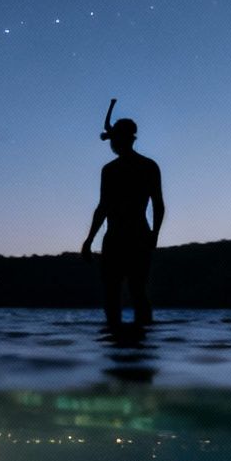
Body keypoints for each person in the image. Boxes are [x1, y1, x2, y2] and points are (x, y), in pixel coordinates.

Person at [80, 108, 164, 327]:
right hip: (135, 236)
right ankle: (141, 342)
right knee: (136, 291)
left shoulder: (113, 170)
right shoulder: (147, 166)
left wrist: (89, 240)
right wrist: (154, 234)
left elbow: (104, 207)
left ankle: (116, 339)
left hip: (120, 237)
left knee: (116, 293)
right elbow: (157, 205)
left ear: (122, 139)